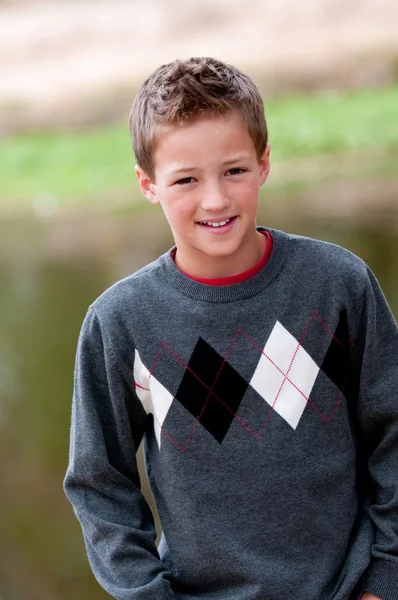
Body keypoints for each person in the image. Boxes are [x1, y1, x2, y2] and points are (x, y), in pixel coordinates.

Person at [63, 57, 398, 600]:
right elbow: (100, 487)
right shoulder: (120, 322)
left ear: (264, 162)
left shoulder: (338, 285)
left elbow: (393, 435)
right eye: (186, 179)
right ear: (148, 184)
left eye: (234, 170)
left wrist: (384, 579)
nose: (215, 199)